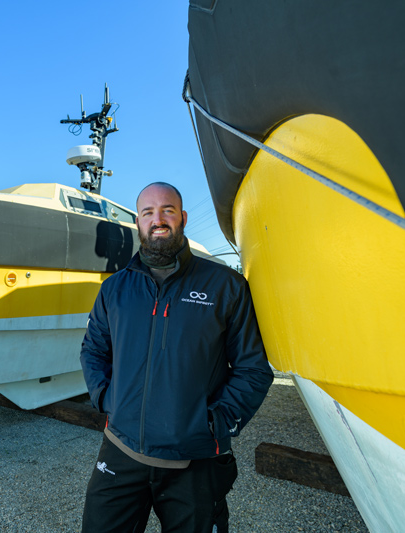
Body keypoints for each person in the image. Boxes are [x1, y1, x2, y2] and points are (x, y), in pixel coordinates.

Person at [80, 182, 273, 532]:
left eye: (167, 210)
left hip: (195, 460)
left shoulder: (225, 286)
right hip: (120, 452)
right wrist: (108, 398)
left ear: (182, 217)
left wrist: (214, 422)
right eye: (148, 212)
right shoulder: (115, 289)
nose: (158, 220)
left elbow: (253, 369)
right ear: (137, 222)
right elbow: (93, 351)